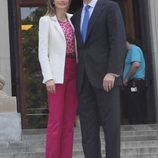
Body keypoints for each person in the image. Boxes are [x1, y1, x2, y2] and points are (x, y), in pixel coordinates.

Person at [71, 0, 126, 158]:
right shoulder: (76, 17)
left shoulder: (110, 7)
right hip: (83, 80)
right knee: (88, 132)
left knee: (111, 128)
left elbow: (118, 40)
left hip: (106, 78)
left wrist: (113, 72)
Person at [38, 0, 78, 158]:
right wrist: (48, 77)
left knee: (69, 122)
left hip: (74, 72)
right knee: (56, 121)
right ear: (52, 1)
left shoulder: (74, 19)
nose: (63, 0)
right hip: (56, 75)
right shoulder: (45, 21)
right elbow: (42, 52)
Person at [123, 34, 146, 124]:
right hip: (133, 83)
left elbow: (136, 64)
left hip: (135, 83)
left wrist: (127, 78)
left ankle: (138, 125)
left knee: (136, 106)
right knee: (133, 105)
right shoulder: (130, 51)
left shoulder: (134, 49)